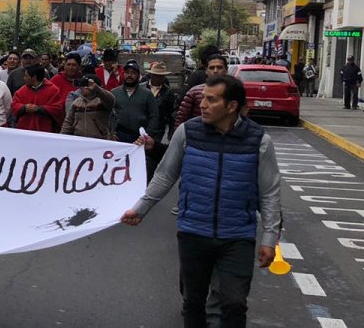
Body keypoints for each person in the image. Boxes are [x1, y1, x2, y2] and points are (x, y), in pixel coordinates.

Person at [121, 74, 282, 328]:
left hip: (237, 236)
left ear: (231, 106)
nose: (203, 105)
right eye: (203, 98)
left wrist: (270, 239)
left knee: (234, 303)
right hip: (193, 232)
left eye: (211, 99)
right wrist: (140, 209)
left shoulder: (258, 141)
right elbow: (165, 176)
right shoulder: (188, 132)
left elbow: (270, 192)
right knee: (193, 302)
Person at [174, 55, 229, 130]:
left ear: (226, 70)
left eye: (219, 67)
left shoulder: (235, 92)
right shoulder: (194, 92)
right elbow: (181, 118)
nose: (215, 71)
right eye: (212, 68)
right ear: (206, 71)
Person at [60, 69, 115, 139]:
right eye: (83, 84)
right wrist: (62, 137)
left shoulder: (102, 101)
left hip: (99, 140)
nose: (83, 87)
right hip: (79, 140)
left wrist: (96, 88)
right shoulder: (77, 102)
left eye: (86, 84)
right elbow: (68, 122)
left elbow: (111, 99)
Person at [10, 64, 64, 132]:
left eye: (26, 76)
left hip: (45, 130)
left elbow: (57, 109)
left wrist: (39, 109)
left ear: (34, 77)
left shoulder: (53, 90)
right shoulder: (21, 91)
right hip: (24, 130)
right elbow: (14, 105)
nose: (24, 78)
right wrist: (24, 108)